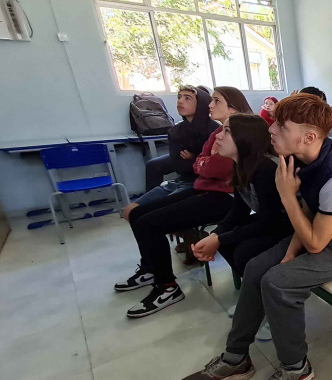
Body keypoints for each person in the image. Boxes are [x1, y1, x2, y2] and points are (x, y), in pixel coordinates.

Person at [178, 93, 332, 380]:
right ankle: (235, 359)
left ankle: (295, 368)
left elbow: (316, 241)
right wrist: (289, 252)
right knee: (259, 267)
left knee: (278, 281)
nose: (271, 130)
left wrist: (288, 199)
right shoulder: (298, 157)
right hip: (320, 230)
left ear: (309, 136)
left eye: (281, 126)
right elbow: (307, 211)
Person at [116, 87, 253, 318]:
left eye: (215, 101)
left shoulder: (239, 131)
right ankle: (150, 268)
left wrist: (202, 164)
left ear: (232, 107)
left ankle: (167, 287)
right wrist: (202, 163)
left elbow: (214, 167)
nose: (209, 105)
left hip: (225, 197)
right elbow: (200, 163)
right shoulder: (218, 132)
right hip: (205, 188)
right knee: (138, 214)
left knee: (150, 223)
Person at [190, 114, 293, 282]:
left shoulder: (266, 168)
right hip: (271, 222)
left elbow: (271, 221)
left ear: (246, 138)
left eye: (227, 131)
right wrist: (215, 236)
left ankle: (261, 294)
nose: (218, 135)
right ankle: (252, 291)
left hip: (289, 226)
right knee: (226, 243)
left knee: (243, 253)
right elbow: (239, 210)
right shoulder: (241, 164)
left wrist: (220, 238)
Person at [123, 86, 216, 219]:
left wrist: (193, 159)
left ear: (201, 104)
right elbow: (179, 166)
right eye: (179, 97)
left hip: (202, 184)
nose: (180, 102)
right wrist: (195, 161)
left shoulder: (215, 130)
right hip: (182, 180)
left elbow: (214, 168)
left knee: (150, 215)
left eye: (187, 98)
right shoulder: (175, 131)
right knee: (129, 211)